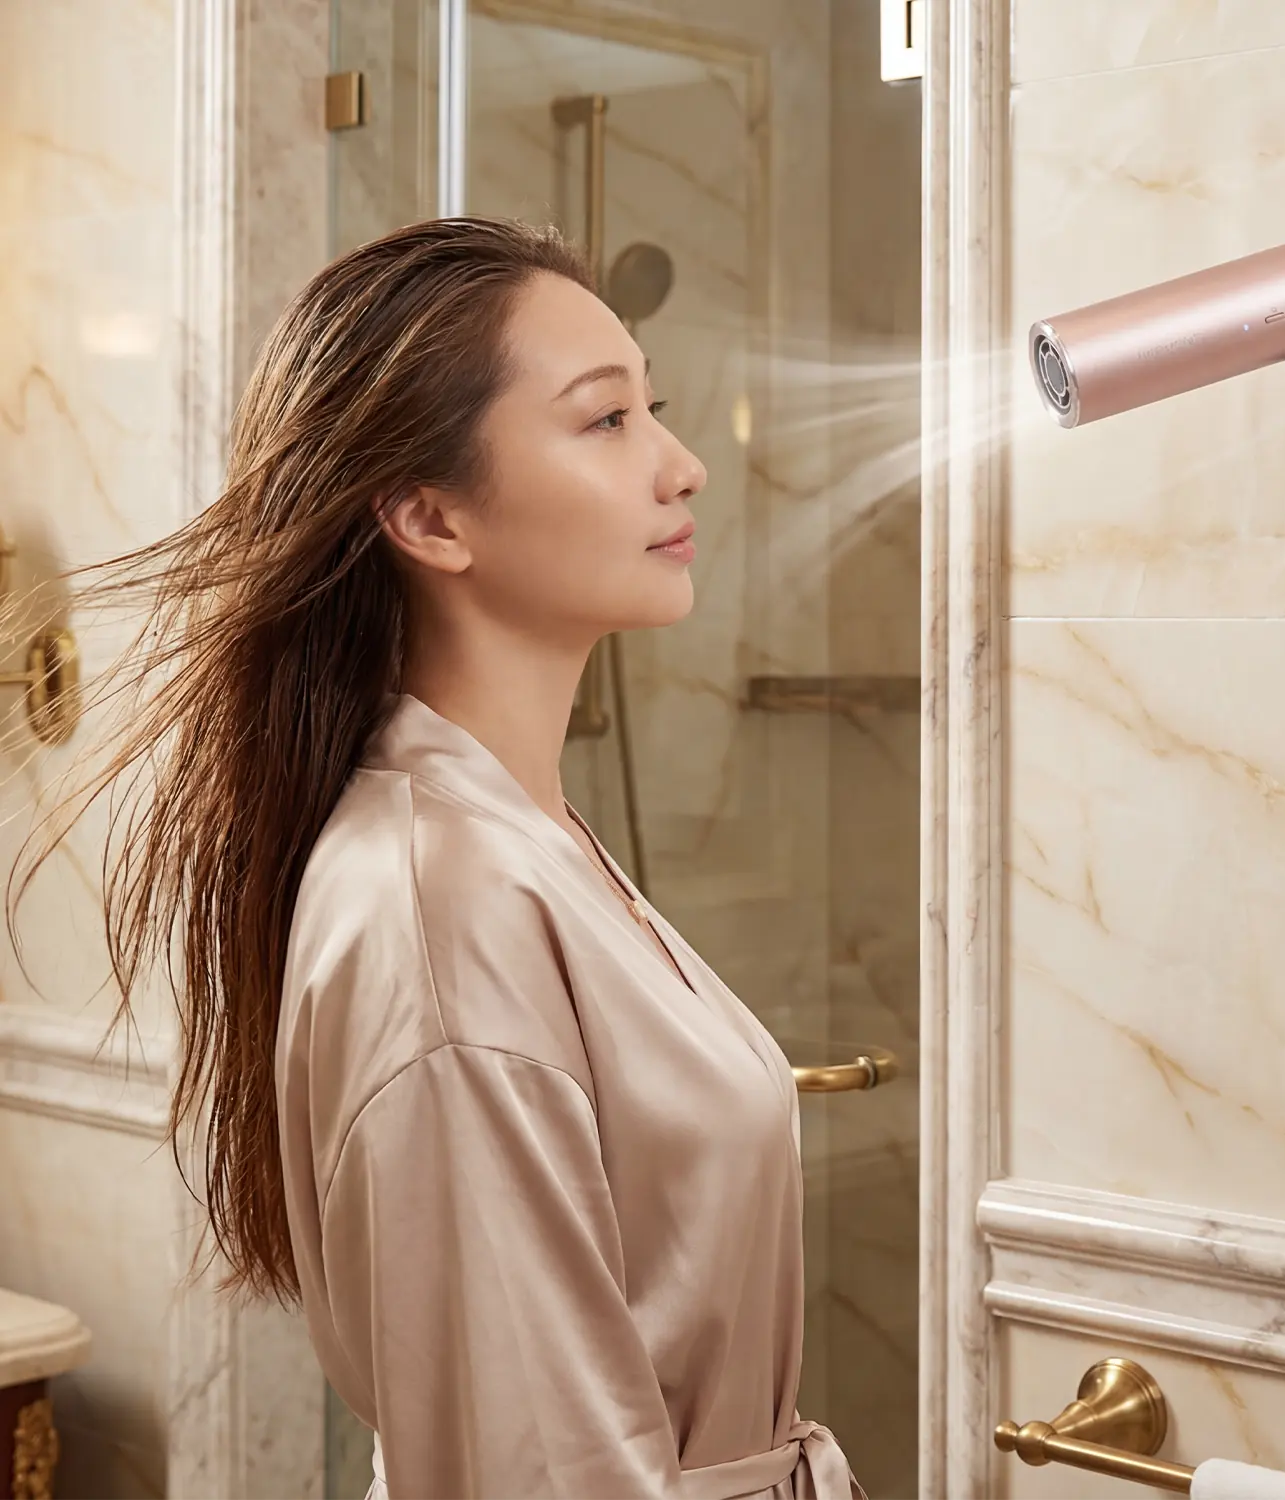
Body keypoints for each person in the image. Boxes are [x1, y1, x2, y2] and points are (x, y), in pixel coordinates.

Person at [11, 218, 863, 1499]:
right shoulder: (437, 904)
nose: (682, 467)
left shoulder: (521, 843)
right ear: (427, 514)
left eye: (658, 410)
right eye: (607, 421)